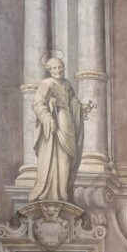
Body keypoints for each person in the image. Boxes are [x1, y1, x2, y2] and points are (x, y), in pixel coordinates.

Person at [30, 56, 85, 202]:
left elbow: (72, 100)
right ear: (49, 70)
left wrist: (78, 105)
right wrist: (47, 117)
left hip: (68, 123)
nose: (58, 70)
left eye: (60, 67)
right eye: (54, 68)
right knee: (55, 156)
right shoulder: (47, 83)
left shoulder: (66, 84)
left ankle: (63, 191)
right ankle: (53, 192)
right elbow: (38, 103)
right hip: (55, 122)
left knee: (66, 157)